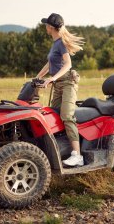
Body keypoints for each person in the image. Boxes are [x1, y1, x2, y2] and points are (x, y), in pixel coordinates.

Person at [36, 13, 84, 167]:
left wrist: (53, 78)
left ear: (50, 27)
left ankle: (77, 155)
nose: (45, 27)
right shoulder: (55, 42)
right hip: (58, 83)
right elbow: (51, 63)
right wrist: (38, 77)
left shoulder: (61, 42)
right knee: (52, 113)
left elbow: (68, 64)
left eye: (46, 25)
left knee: (67, 115)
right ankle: (59, 147)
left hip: (68, 82)